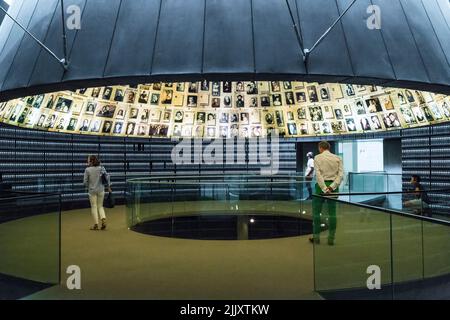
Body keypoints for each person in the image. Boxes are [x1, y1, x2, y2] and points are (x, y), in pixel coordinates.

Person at [310, 141, 344, 245]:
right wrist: (332, 187)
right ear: (328, 148)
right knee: (332, 214)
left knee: (316, 213)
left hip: (321, 187)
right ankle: (331, 239)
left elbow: (318, 175)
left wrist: (324, 188)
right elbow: (341, 175)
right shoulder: (338, 158)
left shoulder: (317, 158)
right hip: (333, 188)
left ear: (320, 148)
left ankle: (316, 238)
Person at [84, 155, 111, 231]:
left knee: (94, 206)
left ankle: (96, 225)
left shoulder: (87, 170)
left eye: (88, 160)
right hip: (101, 190)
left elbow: (84, 182)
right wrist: (109, 187)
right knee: (100, 206)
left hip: (92, 191)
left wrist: (88, 186)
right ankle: (103, 219)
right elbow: (107, 177)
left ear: (91, 161)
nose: (87, 161)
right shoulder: (101, 168)